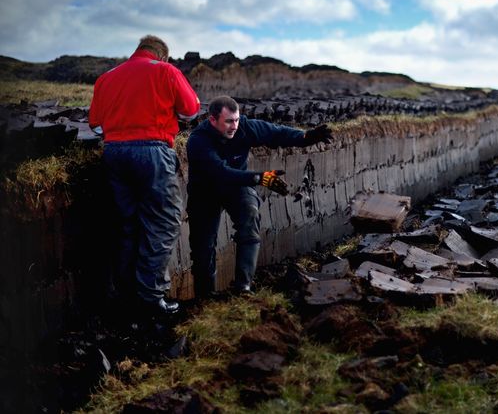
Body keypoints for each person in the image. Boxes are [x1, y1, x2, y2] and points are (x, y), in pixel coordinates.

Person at [89, 35, 200, 315]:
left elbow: (95, 126)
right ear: (162, 55)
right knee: (162, 222)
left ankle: (126, 296)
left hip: (113, 153)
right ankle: (151, 298)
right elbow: (190, 110)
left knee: (127, 224)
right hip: (152, 152)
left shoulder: (106, 78)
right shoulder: (165, 71)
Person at [186, 95, 333, 297]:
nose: (234, 126)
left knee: (250, 213)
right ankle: (205, 298)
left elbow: (276, 133)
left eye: (236, 120)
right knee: (203, 248)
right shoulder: (198, 140)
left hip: (237, 186)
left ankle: (243, 288)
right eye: (228, 121)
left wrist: (305, 137)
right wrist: (259, 178)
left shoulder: (245, 127)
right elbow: (220, 173)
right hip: (205, 192)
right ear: (212, 120)